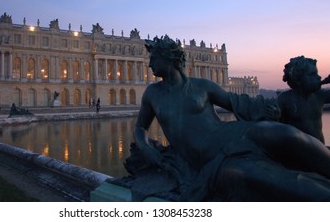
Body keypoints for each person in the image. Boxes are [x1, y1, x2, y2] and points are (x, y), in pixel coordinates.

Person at [131, 35, 330, 201]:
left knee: (288, 135)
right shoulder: (152, 93)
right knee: (281, 182)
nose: (149, 64)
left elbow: (235, 101)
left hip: (232, 133)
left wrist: (267, 110)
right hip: (212, 158)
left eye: (154, 58)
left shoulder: (201, 85)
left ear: (169, 58)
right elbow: (140, 128)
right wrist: (148, 149)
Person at [275, 56, 330, 143]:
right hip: (298, 153)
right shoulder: (285, 99)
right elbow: (274, 125)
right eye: (312, 74)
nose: (319, 77)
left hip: (320, 151)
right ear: (298, 79)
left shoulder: (319, 95)